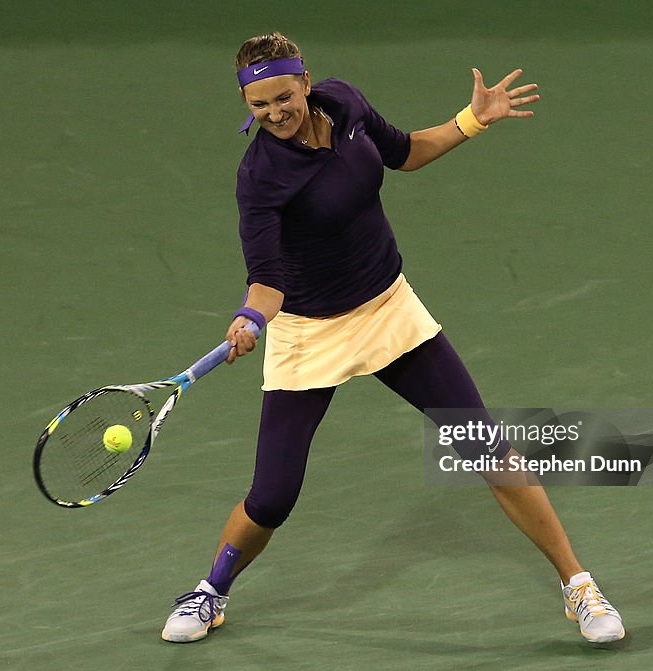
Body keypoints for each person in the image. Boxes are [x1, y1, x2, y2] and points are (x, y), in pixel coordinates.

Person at [160, 31, 625, 645]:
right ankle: (211, 591)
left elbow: (405, 152)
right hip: (309, 332)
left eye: (282, 97)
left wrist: (472, 121)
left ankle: (579, 587)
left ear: (305, 81)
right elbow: (267, 280)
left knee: (486, 446)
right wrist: (250, 319)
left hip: (388, 309)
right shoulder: (260, 177)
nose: (274, 113)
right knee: (272, 496)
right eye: (257, 106)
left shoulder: (345, 104)